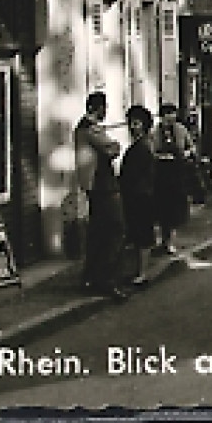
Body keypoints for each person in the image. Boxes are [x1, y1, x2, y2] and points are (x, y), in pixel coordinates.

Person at [74, 91, 127, 300]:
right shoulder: (91, 129)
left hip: (95, 186)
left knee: (97, 233)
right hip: (102, 186)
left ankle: (90, 277)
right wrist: (115, 146)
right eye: (104, 108)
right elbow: (111, 149)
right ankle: (106, 280)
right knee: (115, 230)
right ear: (97, 109)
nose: (106, 112)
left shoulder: (83, 128)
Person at [118, 104, 156, 287]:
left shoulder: (142, 147)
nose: (132, 127)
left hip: (140, 195)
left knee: (142, 234)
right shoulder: (143, 144)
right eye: (131, 123)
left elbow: (134, 174)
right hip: (141, 194)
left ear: (144, 124)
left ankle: (142, 273)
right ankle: (139, 271)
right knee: (139, 233)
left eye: (137, 123)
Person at [153, 103, 194, 255]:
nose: (171, 120)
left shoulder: (181, 130)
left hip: (177, 174)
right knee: (163, 209)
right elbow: (151, 151)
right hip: (161, 176)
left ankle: (170, 241)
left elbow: (191, 146)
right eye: (167, 117)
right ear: (162, 117)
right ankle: (163, 240)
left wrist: (187, 153)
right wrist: (160, 157)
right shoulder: (154, 132)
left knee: (175, 209)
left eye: (173, 116)